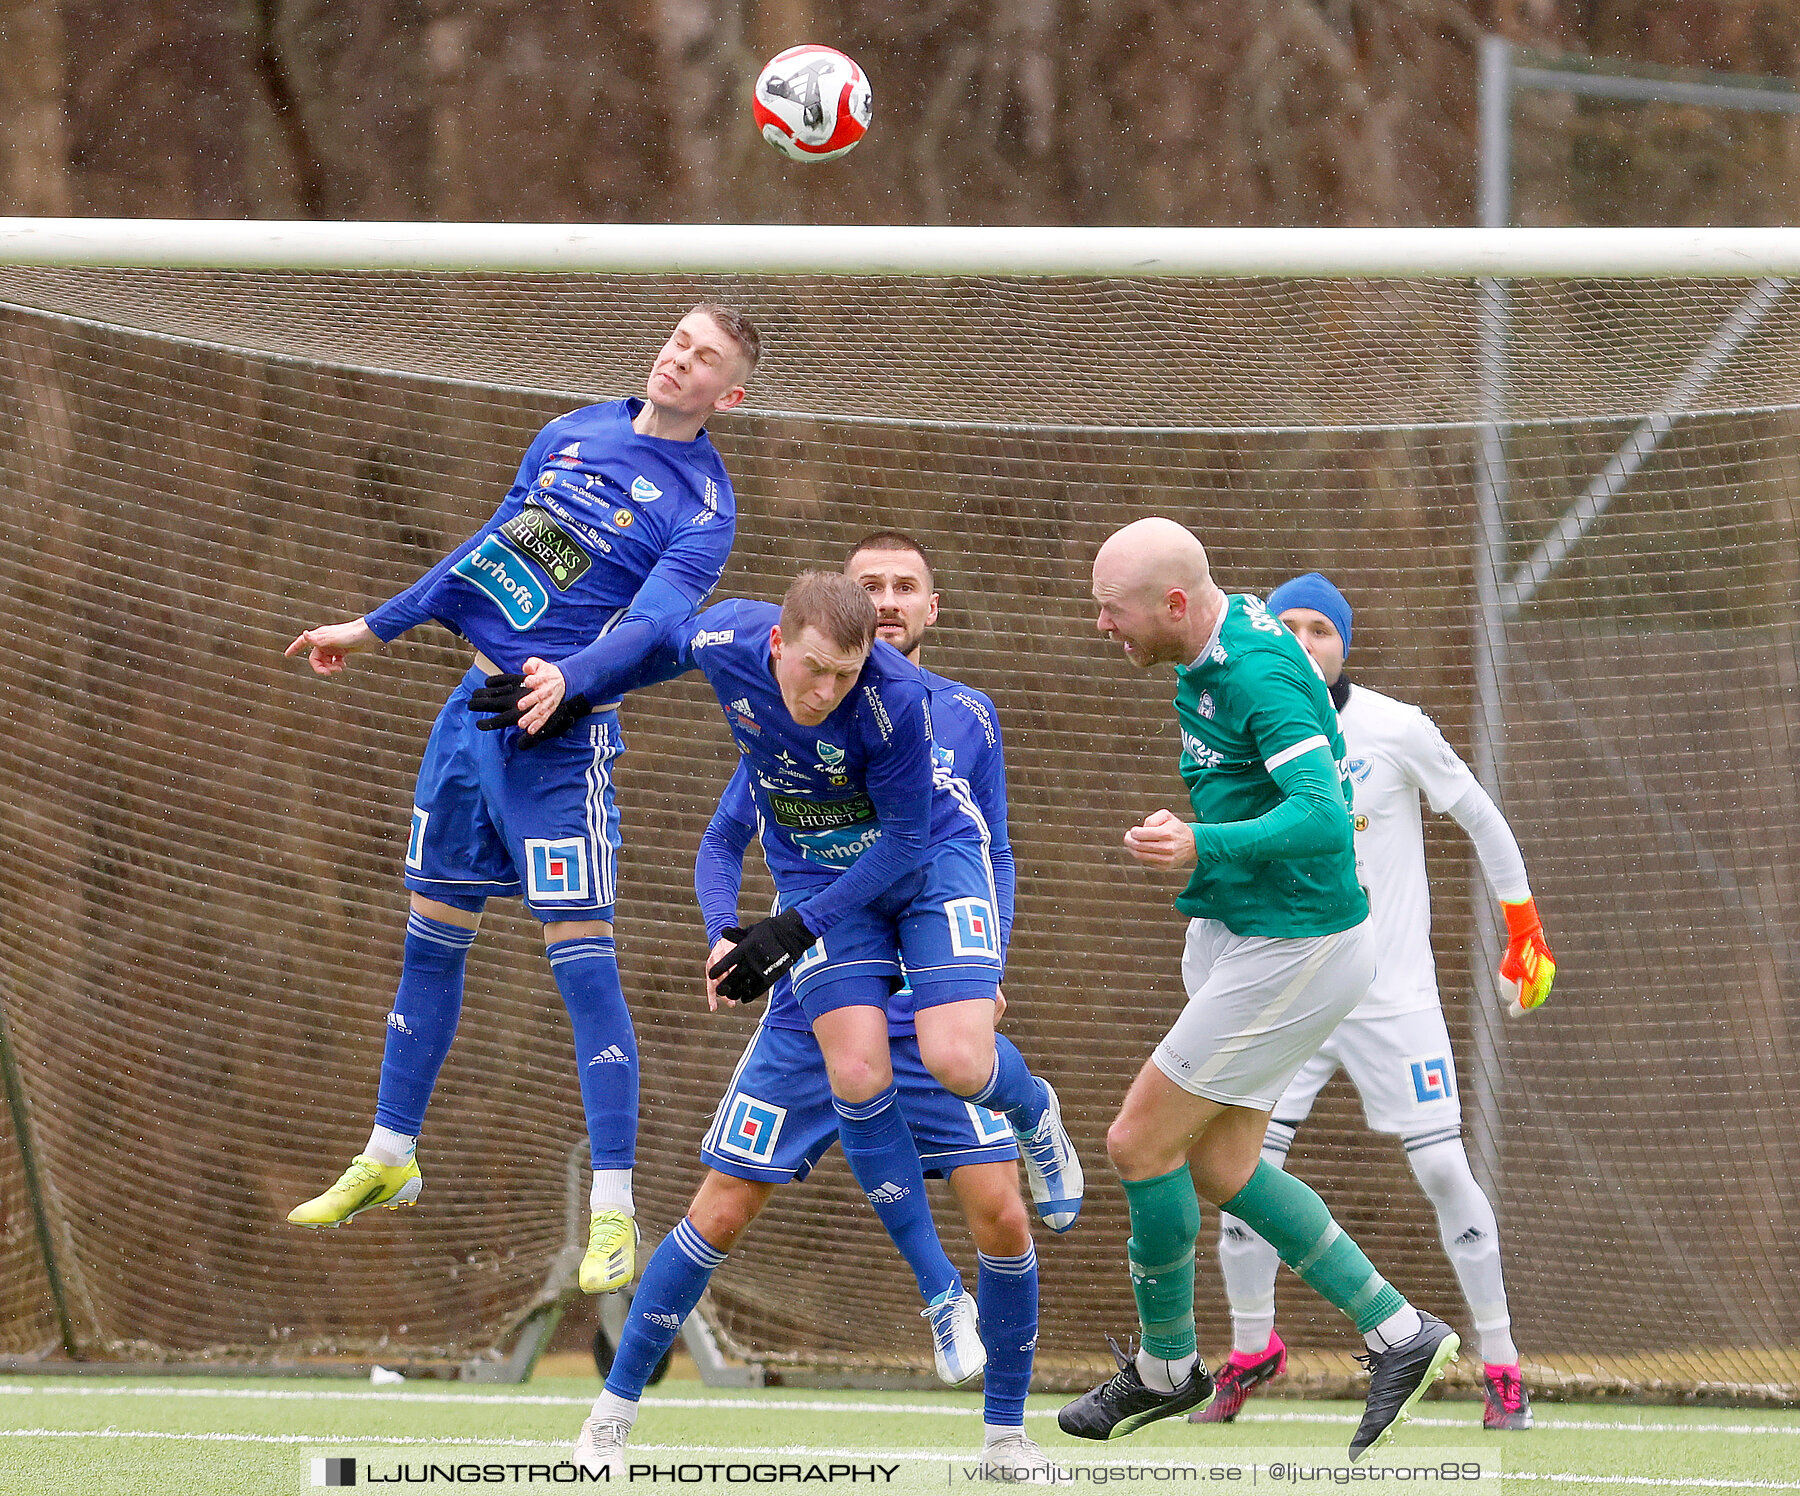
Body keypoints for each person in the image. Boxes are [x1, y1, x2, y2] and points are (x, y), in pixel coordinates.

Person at [495, 570, 1082, 1409]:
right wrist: (568, 681)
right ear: (784, 637)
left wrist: (979, 963)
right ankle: (615, 1414)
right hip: (828, 932)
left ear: (921, 615)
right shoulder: (742, 661)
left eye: (902, 591)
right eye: (816, 666)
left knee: (988, 1160)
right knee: (810, 1118)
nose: (826, 691)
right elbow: (660, 646)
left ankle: (1007, 1427)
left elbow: (934, 840)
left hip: (913, 900)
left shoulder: (911, 705)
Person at [281, 305, 761, 1302]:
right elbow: (483, 552)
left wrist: (574, 679)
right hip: (471, 719)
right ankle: (390, 1150)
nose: (679, 358)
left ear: (731, 393)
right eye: (676, 339)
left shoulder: (704, 506)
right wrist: (374, 627)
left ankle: (617, 1210)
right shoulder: (569, 432)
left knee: (582, 968)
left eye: (704, 356)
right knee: (428, 938)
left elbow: (657, 627)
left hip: (560, 740)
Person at [1059, 517, 1457, 1462]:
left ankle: (1168, 1367)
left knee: (1137, 1142)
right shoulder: (1217, 634)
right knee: (1222, 1170)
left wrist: (1204, 843)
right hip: (1251, 933)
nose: (1102, 628)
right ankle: (1400, 1332)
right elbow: (1252, 776)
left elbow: (1326, 819)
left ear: (1174, 604)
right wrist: (1202, 835)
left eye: (1111, 613)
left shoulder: (1256, 672)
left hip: (1299, 947)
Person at [1192, 572, 1553, 1433]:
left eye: (1324, 628)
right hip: (1291, 989)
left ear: (1345, 644)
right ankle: (1252, 1349)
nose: (1307, 640)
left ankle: (1501, 1365)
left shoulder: (1393, 727)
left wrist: (1524, 923)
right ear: (1267, 640)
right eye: (1291, 626)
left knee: (1440, 1167)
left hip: (1393, 996)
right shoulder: (1242, 727)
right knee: (1243, 1172)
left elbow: (1481, 816)